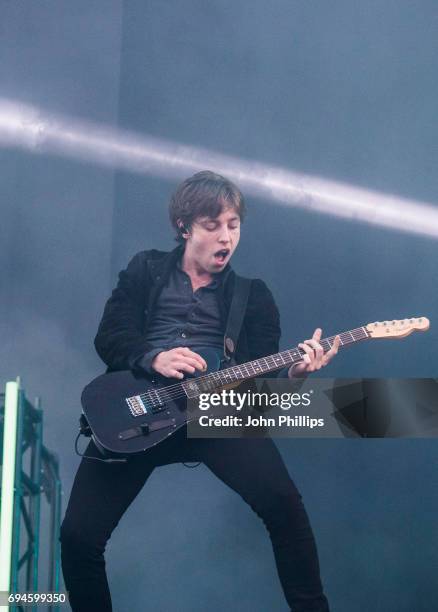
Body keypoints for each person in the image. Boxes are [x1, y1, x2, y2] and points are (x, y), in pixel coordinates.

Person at [60, 171, 339, 611]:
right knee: (77, 538)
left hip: (214, 414)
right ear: (184, 226)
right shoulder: (145, 269)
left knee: (285, 508)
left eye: (233, 224)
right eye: (213, 226)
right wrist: (154, 357)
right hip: (139, 412)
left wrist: (297, 374)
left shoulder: (254, 297)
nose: (225, 236)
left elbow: (260, 391)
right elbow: (110, 337)